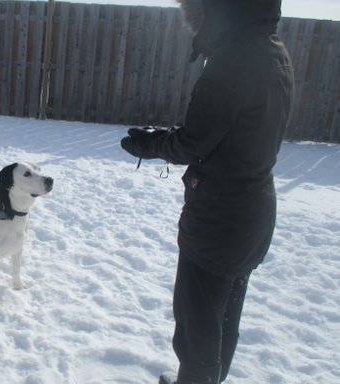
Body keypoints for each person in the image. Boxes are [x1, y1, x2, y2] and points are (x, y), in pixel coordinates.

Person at [120, 0, 294, 383]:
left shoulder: (233, 62)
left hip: (219, 218)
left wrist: (149, 145)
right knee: (224, 318)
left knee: (197, 324)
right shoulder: (272, 50)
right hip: (254, 210)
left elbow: (195, 142)